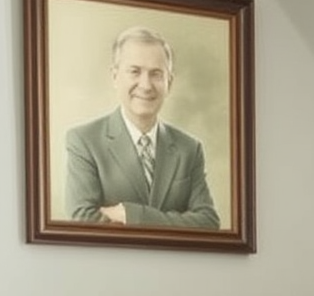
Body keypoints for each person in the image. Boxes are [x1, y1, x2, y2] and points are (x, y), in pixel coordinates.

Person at [64, 25, 221, 229]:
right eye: (134, 71)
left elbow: (208, 223)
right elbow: (82, 221)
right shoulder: (84, 140)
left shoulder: (189, 148)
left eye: (156, 74)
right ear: (115, 76)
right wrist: (176, 222)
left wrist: (132, 215)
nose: (146, 85)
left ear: (169, 83)